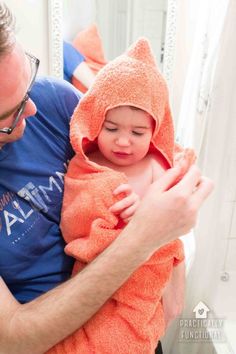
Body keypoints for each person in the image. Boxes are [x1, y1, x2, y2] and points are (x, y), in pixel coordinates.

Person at [0, 3, 213, 354]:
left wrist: (171, 285)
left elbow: (156, 158)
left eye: (28, 84)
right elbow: (12, 340)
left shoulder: (55, 102)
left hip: (135, 314)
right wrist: (144, 235)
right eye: (10, 114)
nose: (32, 109)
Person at [47, 38, 194, 354]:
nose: (123, 141)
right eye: (111, 128)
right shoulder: (87, 164)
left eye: (138, 133)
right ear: (97, 120)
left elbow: (174, 220)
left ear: (155, 130)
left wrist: (144, 213)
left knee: (124, 336)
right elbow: (73, 222)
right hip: (95, 277)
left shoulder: (157, 166)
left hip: (141, 283)